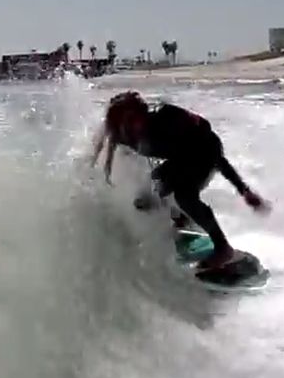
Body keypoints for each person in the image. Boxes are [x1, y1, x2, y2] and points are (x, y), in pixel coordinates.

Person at [90, 91, 268, 270]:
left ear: (143, 112)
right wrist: (89, 168)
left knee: (185, 196)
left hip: (204, 150)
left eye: (135, 118)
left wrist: (243, 190)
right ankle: (181, 221)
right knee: (145, 199)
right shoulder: (123, 133)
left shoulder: (168, 119)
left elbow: (216, 156)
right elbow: (103, 143)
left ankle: (223, 248)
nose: (134, 125)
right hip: (179, 158)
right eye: (126, 122)